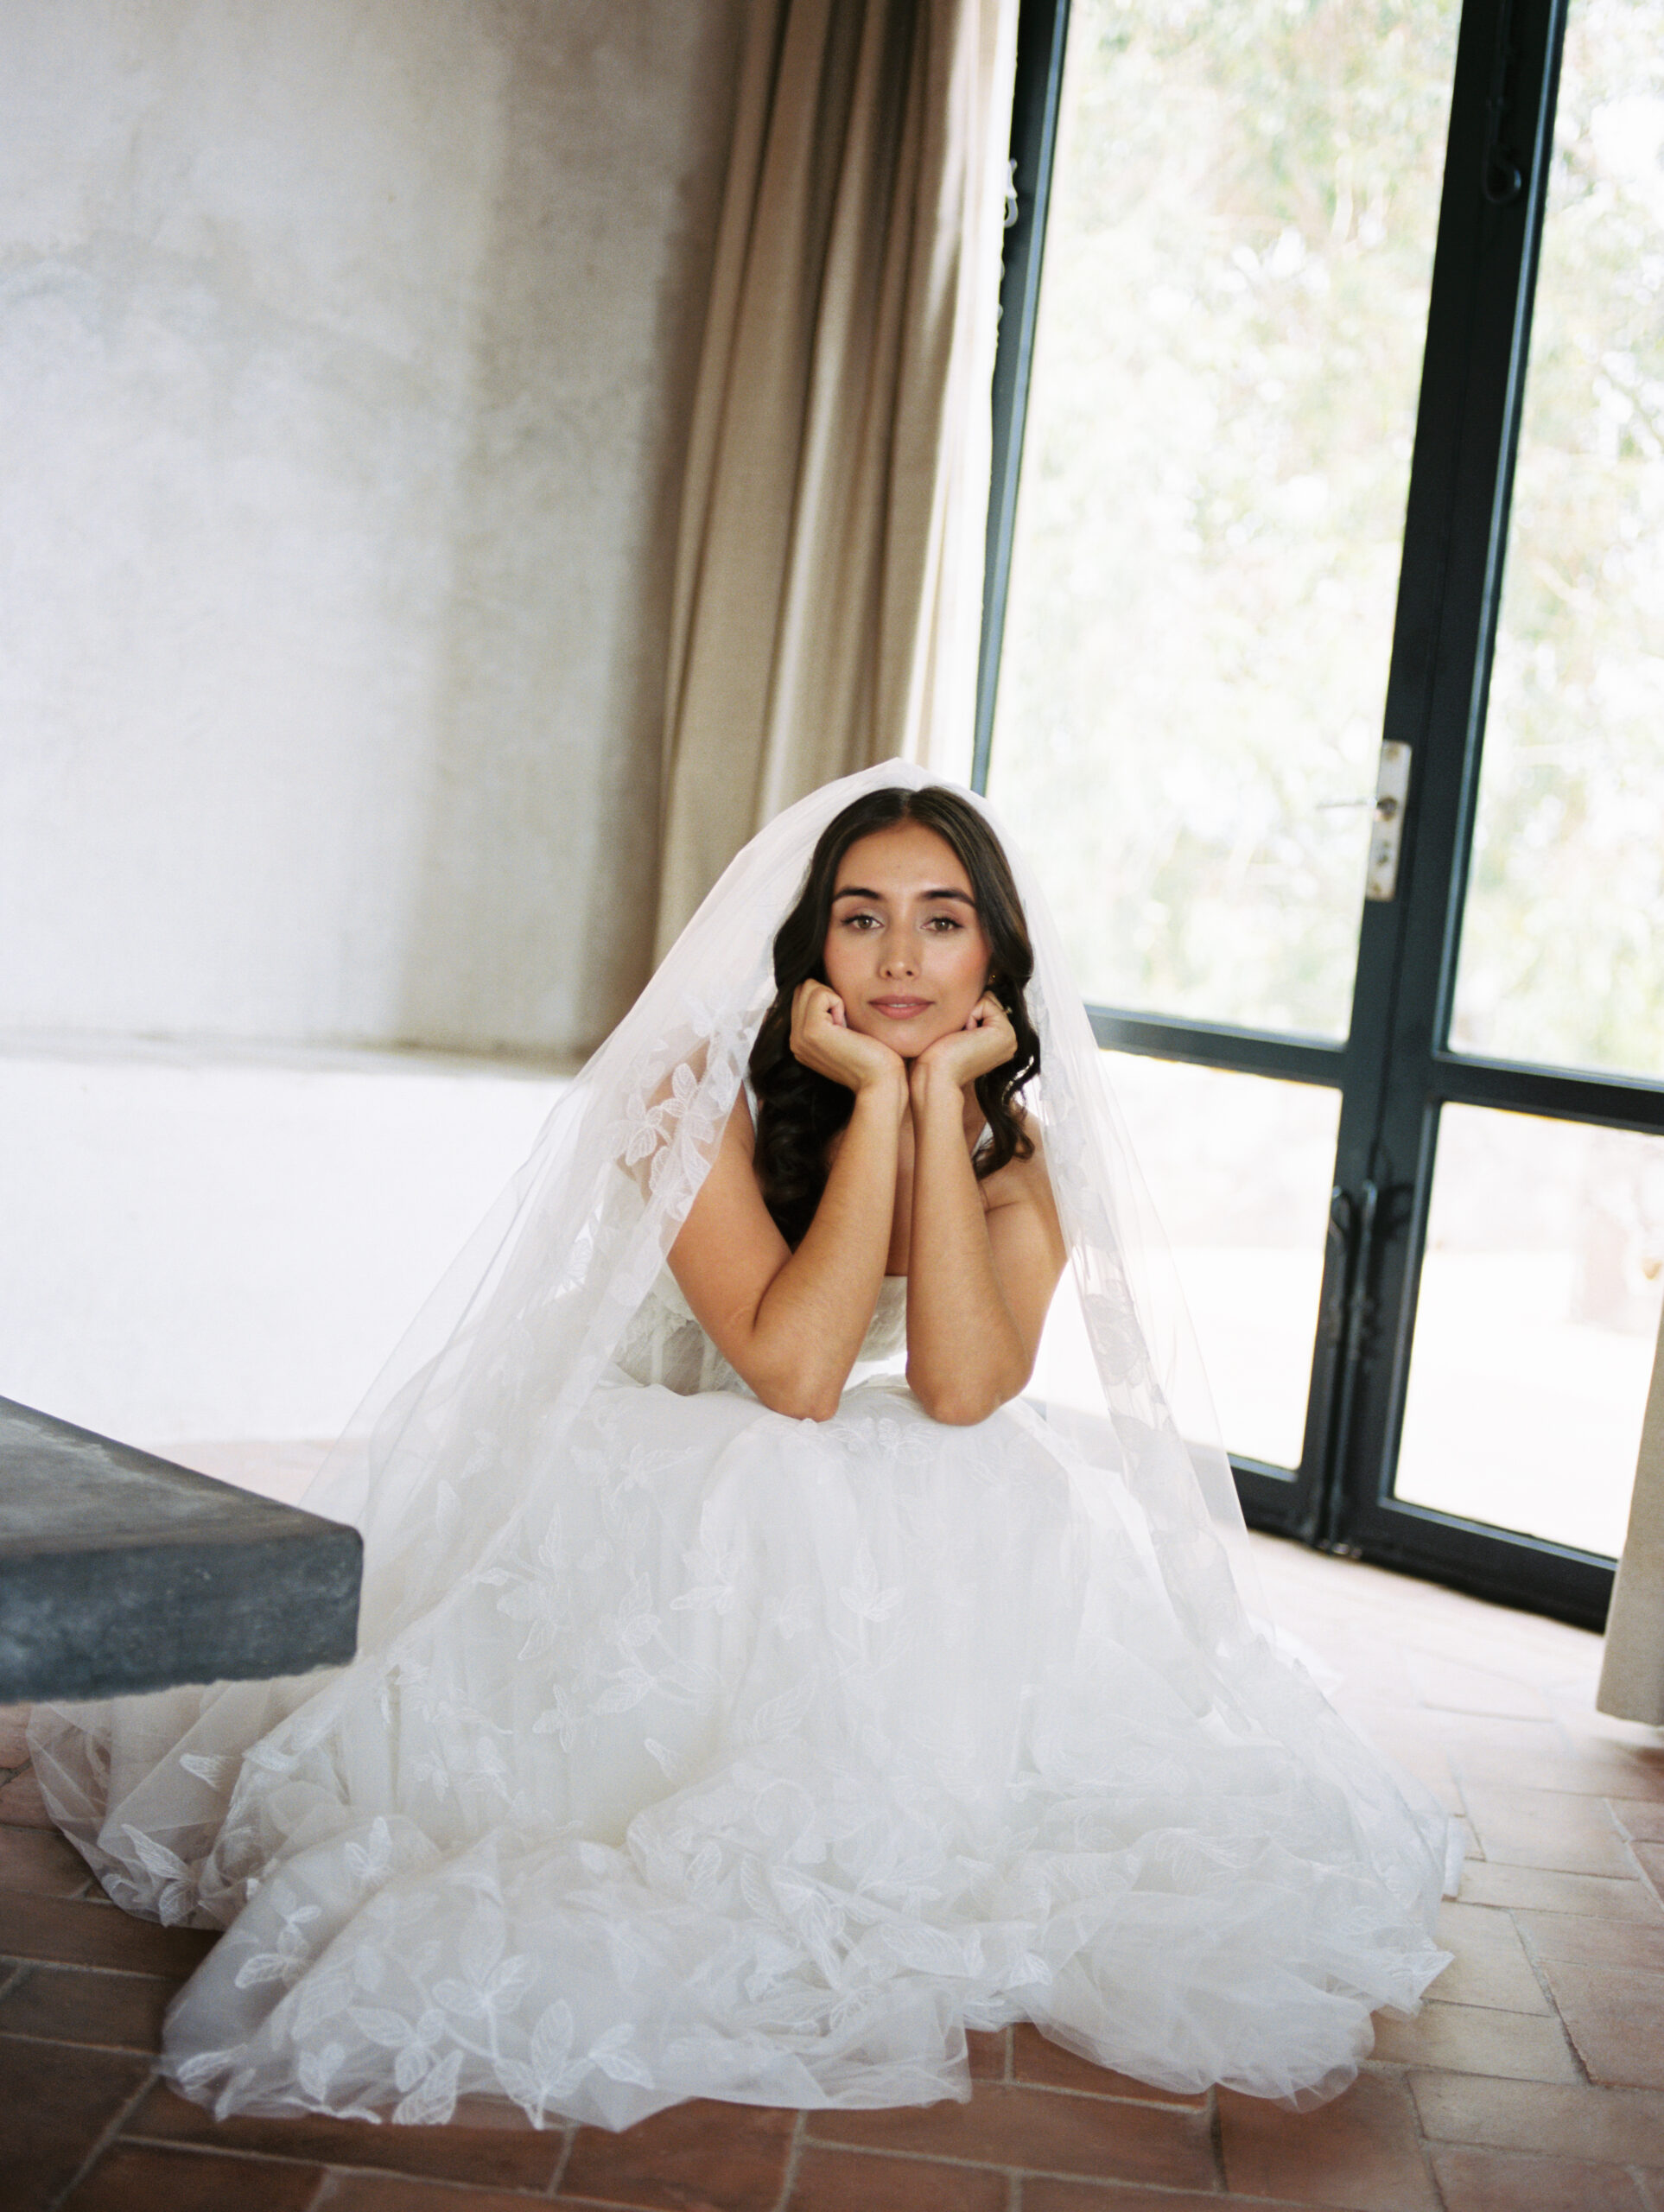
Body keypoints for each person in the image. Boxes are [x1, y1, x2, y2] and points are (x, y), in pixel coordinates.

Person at [29, 763, 1456, 2133]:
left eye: (942, 920)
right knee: (788, 1481)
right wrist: (874, 1108)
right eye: (860, 915)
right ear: (808, 947)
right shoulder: (691, 1091)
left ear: (994, 965)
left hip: (834, 1466)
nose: (899, 954)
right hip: (657, 1467)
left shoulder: (1014, 1149)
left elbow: (963, 1391)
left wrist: (928, 1104)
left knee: (980, 1477)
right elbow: (787, 1371)